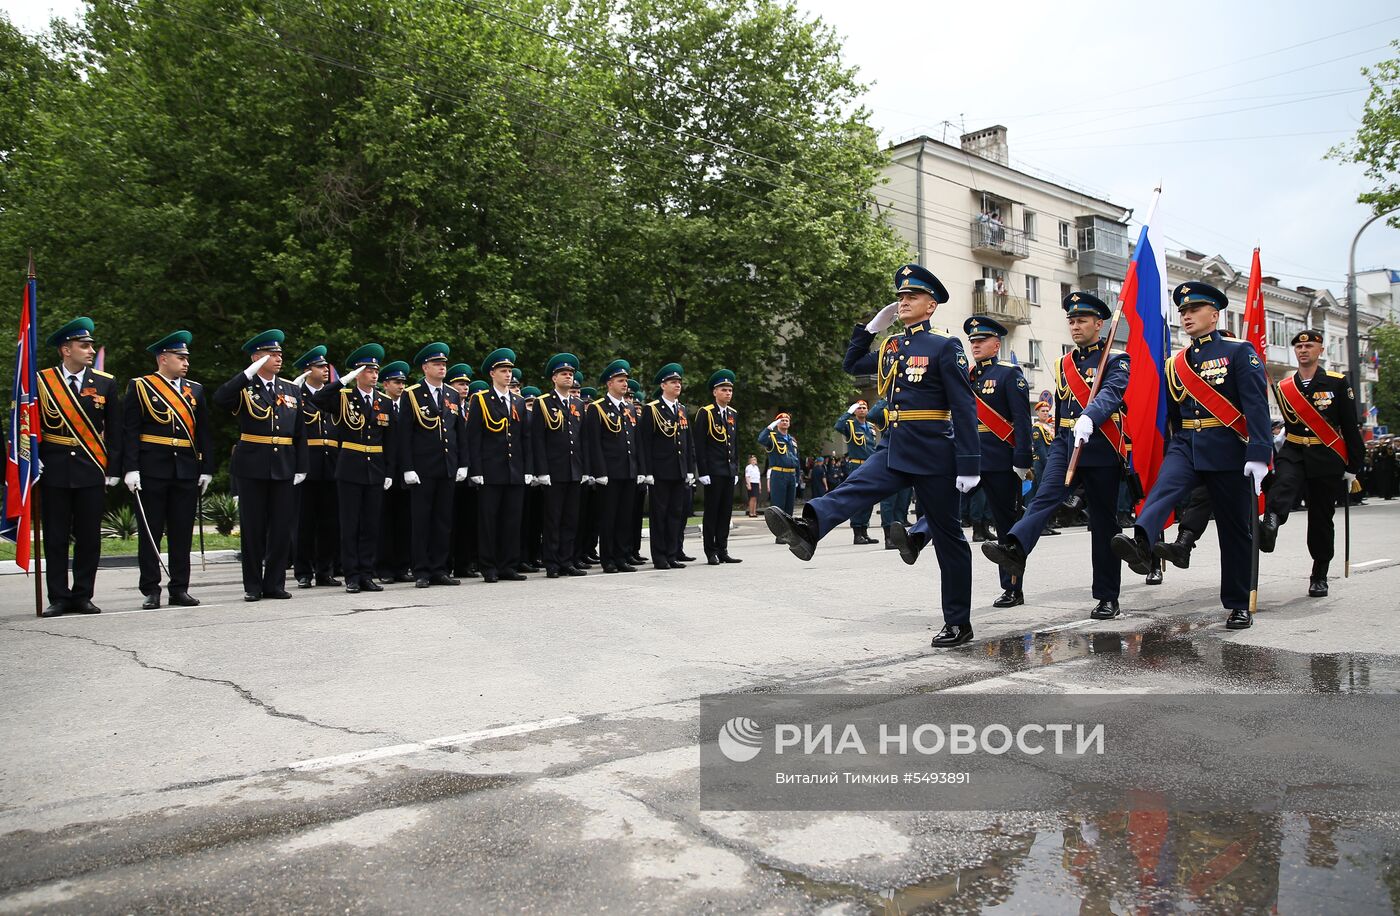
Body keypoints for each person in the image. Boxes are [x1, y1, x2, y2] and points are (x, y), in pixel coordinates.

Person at [766, 263, 981, 648]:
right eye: (900, 297)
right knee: (856, 486)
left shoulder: (945, 346)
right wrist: (868, 330)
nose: (903, 302)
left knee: (949, 539)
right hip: (895, 443)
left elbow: (964, 407)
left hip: (934, 449)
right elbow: (852, 364)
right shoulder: (893, 346)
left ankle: (958, 622)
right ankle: (810, 529)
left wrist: (968, 463)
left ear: (931, 306)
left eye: (911, 297)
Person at [1111, 281, 1271, 630]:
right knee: (1163, 490)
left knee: (1234, 530)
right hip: (1186, 443)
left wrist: (1259, 454)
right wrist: (1171, 449)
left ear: (1214, 315)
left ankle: (1237, 603)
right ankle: (1141, 540)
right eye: (1182, 311)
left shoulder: (1239, 352)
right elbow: (1172, 415)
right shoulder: (1175, 364)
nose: (1186, 316)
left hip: (1229, 447)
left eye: (1193, 310)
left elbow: (1257, 406)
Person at [978, 292, 1130, 620]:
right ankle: (1015, 547)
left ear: (1099, 324)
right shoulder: (1064, 363)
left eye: (1082, 320)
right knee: (1043, 499)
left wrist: (1093, 416)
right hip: (1065, 442)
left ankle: (1107, 597)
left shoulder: (1116, 359)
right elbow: (1063, 409)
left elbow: (1112, 393)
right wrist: (1068, 433)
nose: (1075, 326)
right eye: (1071, 321)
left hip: (1100, 445)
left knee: (1103, 524)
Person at [1259, 329, 1364, 597]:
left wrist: (1354, 465)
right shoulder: (1284, 386)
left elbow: (1350, 426)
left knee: (1320, 517)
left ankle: (1319, 573)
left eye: (1309, 345)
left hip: (1326, 455)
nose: (1303, 350)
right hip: (1294, 449)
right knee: (1284, 483)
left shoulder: (1337, 382)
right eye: (1299, 346)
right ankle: (1271, 521)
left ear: (1321, 350)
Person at [213, 330, 308, 602]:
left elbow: (299, 431)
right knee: (253, 529)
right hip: (252, 466)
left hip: (284, 465)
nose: (279, 358)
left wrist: (301, 465)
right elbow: (220, 399)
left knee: (281, 528)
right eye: (272, 354)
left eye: (279, 354)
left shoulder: (290, 389)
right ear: (257, 358)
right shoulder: (244, 387)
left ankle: (275, 583)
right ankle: (252, 585)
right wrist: (246, 374)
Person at [122, 331, 213, 609]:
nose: (185, 362)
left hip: (185, 469)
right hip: (152, 468)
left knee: (181, 531)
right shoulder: (141, 386)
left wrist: (206, 468)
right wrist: (131, 468)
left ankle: (179, 588)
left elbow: (204, 433)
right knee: (152, 533)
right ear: (163, 358)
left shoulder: (194, 390)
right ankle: (151, 589)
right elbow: (130, 431)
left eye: (186, 357)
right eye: (179, 357)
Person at [36, 317, 121, 616]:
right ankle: (58, 596)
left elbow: (116, 429)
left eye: (90, 345)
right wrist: (31, 459)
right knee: (56, 537)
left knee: (89, 536)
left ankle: (83, 594)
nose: (89, 350)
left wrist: (113, 469)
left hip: (91, 466)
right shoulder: (41, 382)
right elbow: (28, 426)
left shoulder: (105, 382)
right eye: (83, 345)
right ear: (65, 350)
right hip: (53, 467)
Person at [310, 344, 396, 594]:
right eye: (368, 370)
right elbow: (318, 399)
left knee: (370, 525)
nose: (374, 375)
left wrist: (389, 471)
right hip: (350, 468)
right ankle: (351, 575)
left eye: (375, 370)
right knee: (350, 525)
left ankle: (367, 573)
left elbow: (390, 441)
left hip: (376, 469)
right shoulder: (344, 397)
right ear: (358, 374)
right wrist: (341, 382)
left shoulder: (384, 402)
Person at [961, 316, 1034, 606]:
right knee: (945, 506)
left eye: (981, 341)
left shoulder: (1009, 374)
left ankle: (1012, 587)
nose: (975, 345)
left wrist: (1022, 460)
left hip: (1001, 462)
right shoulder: (966, 376)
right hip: (968, 460)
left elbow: (1022, 421)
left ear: (996, 344)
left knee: (1006, 525)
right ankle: (917, 536)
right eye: (973, 341)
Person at [399, 342, 469, 588]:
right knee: (421, 521)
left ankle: (440, 568)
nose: (442, 368)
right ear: (425, 367)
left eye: (444, 364)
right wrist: (407, 467)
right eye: (437, 364)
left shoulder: (451, 394)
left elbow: (459, 431)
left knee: (443, 521)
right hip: (423, 469)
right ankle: (421, 570)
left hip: (447, 466)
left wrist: (463, 463)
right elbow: (405, 434)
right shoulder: (412, 393)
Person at [466, 348, 531, 582]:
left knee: (512, 521)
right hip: (491, 471)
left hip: (514, 470)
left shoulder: (519, 401)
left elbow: (525, 439)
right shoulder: (481, 400)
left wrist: (528, 469)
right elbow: (473, 438)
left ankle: (508, 565)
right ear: (492, 373)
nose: (508, 375)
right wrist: (476, 470)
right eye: (503, 370)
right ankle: (489, 566)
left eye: (510, 370)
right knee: (489, 521)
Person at [531, 353, 589, 578]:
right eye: (564, 373)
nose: (568, 376)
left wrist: (585, 469)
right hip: (554, 470)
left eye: (571, 374)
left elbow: (581, 439)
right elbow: (538, 439)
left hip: (574, 469)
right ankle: (552, 562)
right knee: (553, 519)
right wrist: (542, 470)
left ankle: (567, 560)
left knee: (570, 519)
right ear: (554, 378)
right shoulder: (543, 403)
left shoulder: (577, 403)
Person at [582, 359, 639, 573]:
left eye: (626, 381)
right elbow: (593, 442)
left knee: (625, 517)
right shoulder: (598, 408)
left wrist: (638, 469)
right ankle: (608, 559)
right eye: (620, 380)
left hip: (628, 470)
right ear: (609, 383)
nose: (625, 384)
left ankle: (622, 556)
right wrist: (599, 471)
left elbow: (633, 441)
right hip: (609, 472)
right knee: (609, 517)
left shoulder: (629, 408)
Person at [291, 345, 341, 589]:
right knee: (304, 522)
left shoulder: (333, 395)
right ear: (307, 370)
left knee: (329, 522)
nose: (325, 370)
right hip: (307, 464)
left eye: (325, 366)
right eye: (320, 366)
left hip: (331, 464)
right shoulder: (296, 394)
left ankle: (325, 570)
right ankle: (303, 571)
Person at [638, 363, 696, 569]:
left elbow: (688, 442)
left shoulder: (681, 409)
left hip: (679, 471)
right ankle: (660, 556)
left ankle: (672, 554)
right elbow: (644, 443)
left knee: (675, 515)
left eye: (679, 382)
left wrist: (690, 469)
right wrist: (646, 472)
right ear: (663, 385)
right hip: (660, 472)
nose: (677, 385)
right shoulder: (652, 409)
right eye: (673, 382)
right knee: (659, 516)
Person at [694, 369, 742, 565]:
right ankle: (710, 551)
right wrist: (703, 471)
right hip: (713, 472)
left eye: (730, 390)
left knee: (725, 512)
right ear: (715, 392)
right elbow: (700, 444)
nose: (728, 393)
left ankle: (723, 549)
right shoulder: (705, 413)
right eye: (723, 389)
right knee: (712, 512)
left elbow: (735, 443)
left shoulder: (733, 414)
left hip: (728, 470)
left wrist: (736, 468)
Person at [373, 360, 414, 583]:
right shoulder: (380, 404)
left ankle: (401, 566)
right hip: (385, 470)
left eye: (403, 382)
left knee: (404, 521)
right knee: (385, 522)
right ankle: (385, 567)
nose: (401, 386)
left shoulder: (408, 404)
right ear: (385, 384)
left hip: (405, 472)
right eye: (396, 382)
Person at [832, 400, 879, 544]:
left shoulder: (871, 427)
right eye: (859, 408)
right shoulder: (850, 425)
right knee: (858, 497)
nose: (862, 410)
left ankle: (864, 530)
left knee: (869, 498)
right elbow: (838, 426)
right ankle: (857, 532)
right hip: (857, 465)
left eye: (864, 408)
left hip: (870, 464)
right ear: (855, 411)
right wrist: (848, 413)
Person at [757, 412, 800, 531]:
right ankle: (780, 533)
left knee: (789, 506)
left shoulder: (792, 440)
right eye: (782, 420)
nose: (785, 422)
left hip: (791, 474)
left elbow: (797, 460)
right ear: (777, 423)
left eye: (787, 420)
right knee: (778, 505)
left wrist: (797, 477)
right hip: (779, 474)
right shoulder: (772, 438)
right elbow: (761, 439)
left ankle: (789, 532)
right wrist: (769, 427)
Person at [1028, 400, 1060, 536]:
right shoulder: (1037, 428)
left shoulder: (1048, 427)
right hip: (1042, 464)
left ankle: (1048, 523)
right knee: (1043, 495)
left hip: (1049, 462)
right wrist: (1050, 466)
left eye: (1047, 411)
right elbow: (1041, 450)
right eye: (1043, 411)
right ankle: (1041, 526)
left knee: (1049, 494)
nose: (1045, 413)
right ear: (1037, 412)